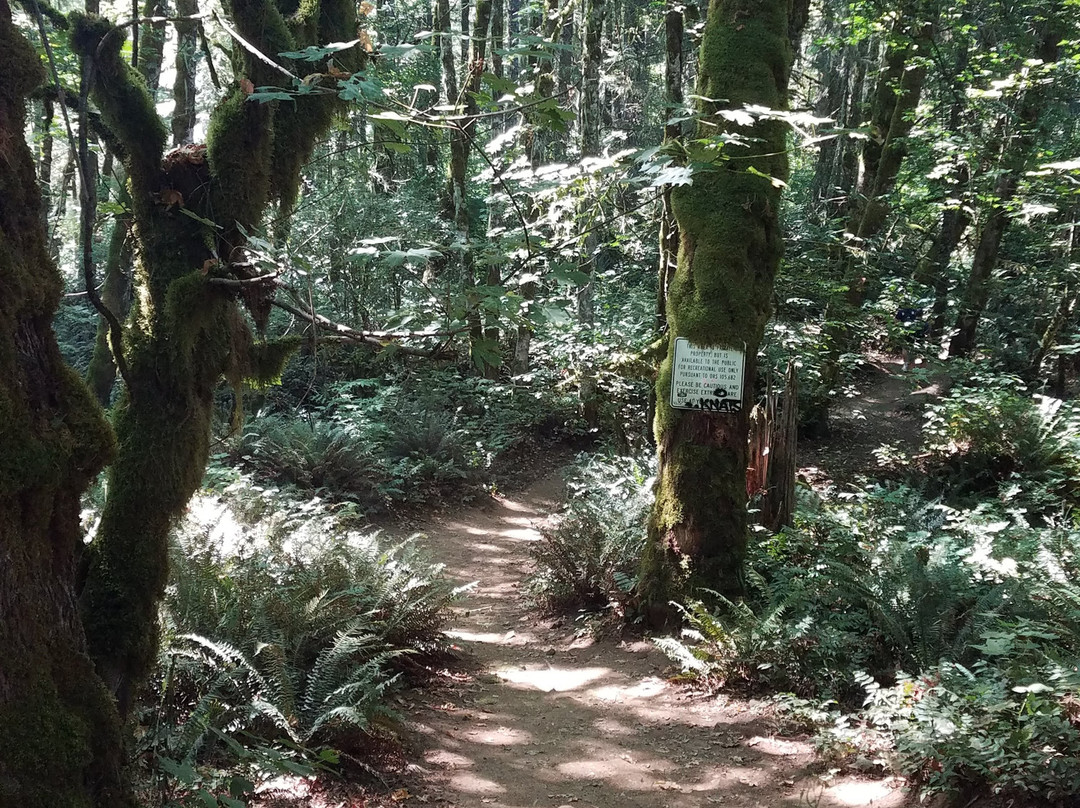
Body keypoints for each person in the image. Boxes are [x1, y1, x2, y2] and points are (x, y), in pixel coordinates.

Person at [896, 305, 927, 371]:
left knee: (906, 348)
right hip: (916, 334)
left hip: (908, 332)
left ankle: (907, 364)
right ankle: (912, 365)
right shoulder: (912, 311)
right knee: (913, 348)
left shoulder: (903, 312)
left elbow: (896, 322)